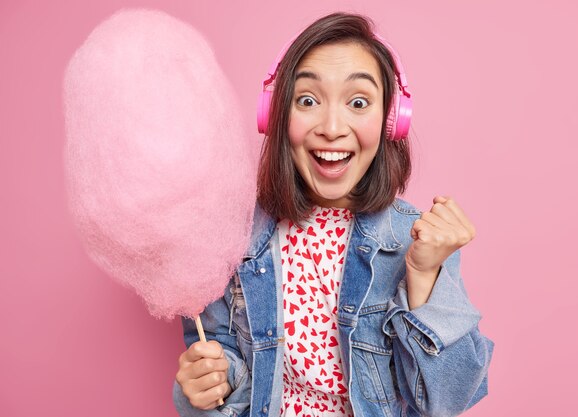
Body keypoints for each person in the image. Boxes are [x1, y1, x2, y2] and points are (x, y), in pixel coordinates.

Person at [173, 12, 493, 417]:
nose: (332, 126)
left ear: (390, 122)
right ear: (275, 115)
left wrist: (424, 278)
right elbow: (225, 364)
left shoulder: (415, 242)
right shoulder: (235, 237)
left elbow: (447, 401)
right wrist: (206, 383)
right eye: (308, 100)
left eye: (358, 102)